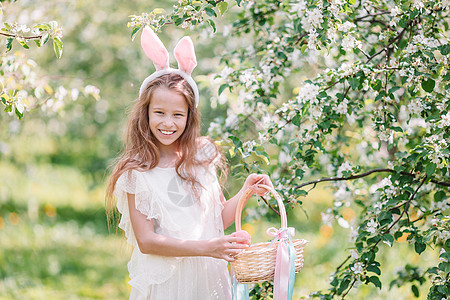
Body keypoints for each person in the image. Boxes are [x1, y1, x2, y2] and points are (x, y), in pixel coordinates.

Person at [105, 27, 273, 300]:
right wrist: (208, 247)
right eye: (159, 113)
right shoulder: (137, 172)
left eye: (177, 115)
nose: (168, 123)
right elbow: (147, 242)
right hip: (169, 284)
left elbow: (215, 219)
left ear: (189, 117)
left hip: (207, 277)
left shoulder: (202, 156)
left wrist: (246, 192)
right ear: (145, 114)